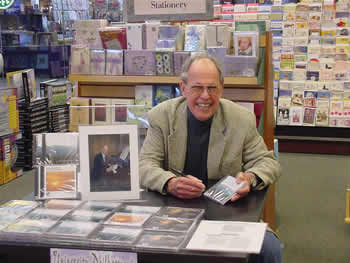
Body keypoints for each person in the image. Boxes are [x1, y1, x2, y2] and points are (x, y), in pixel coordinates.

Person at [139, 55, 282, 263]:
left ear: (221, 88)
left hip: (226, 216)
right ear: (183, 88)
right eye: (197, 88)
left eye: (212, 88)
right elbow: (145, 165)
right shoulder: (162, 117)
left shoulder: (241, 119)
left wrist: (249, 178)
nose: (205, 96)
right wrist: (170, 183)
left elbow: (268, 162)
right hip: (172, 215)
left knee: (269, 249)